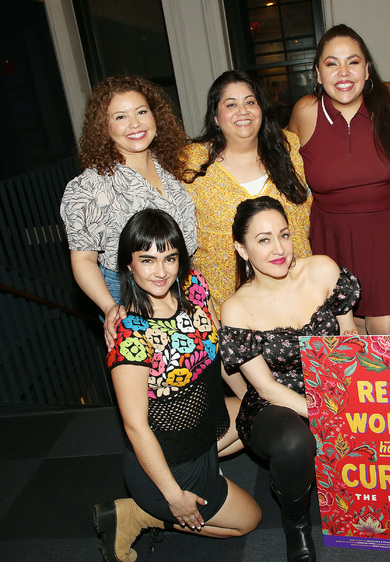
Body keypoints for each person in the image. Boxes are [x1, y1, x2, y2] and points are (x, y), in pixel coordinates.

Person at [95, 209, 260, 562]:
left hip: (203, 427)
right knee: (250, 520)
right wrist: (173, 496)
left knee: (259, 416)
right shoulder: (130, 336)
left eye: (169, 258)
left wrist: (256, 399)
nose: (161, 271)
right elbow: (135, 427)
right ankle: (144, 514)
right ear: (128, 265)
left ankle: (205, 467)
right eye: (147, 259)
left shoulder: (194, 288)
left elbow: (218, 357)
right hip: (168, 462)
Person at [218, 196, 360, 561]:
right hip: (275, 402)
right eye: (263, 240)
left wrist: (358, 394)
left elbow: (349, 341)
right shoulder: (237, 307)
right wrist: (326, 413)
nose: (278, 249)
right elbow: (264, 386)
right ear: (242, 248)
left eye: (283, 235)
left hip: (333, 384)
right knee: (294, 443)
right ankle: (295, 524)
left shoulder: (322, 270)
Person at [287, 24, 390, 335]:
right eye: (332, 63)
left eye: (353, 62)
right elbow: (280, 167)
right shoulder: (306, 111)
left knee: (389, 329)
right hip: (333, 238)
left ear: (367, 68)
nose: (343, 72)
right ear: (318, 74)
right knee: (348, 335)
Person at [60, 75, 197, 346]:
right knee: (160, 385)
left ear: (156, 118)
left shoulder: (169, 165)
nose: (134, 123)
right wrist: (110, 307)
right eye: (120, 117)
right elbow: (83, 261)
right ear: (104, 128)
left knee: (201, 371)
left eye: (141, 112)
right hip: (132, 298)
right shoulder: (88, 187)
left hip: (185, 284)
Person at [182, 70, 312, 314]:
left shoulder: (289, 149)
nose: (243, 111)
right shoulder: (191, 163)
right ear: (216, 117)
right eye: (231, 104)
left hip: (296, 298)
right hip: (227, 306)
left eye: (250, 102)